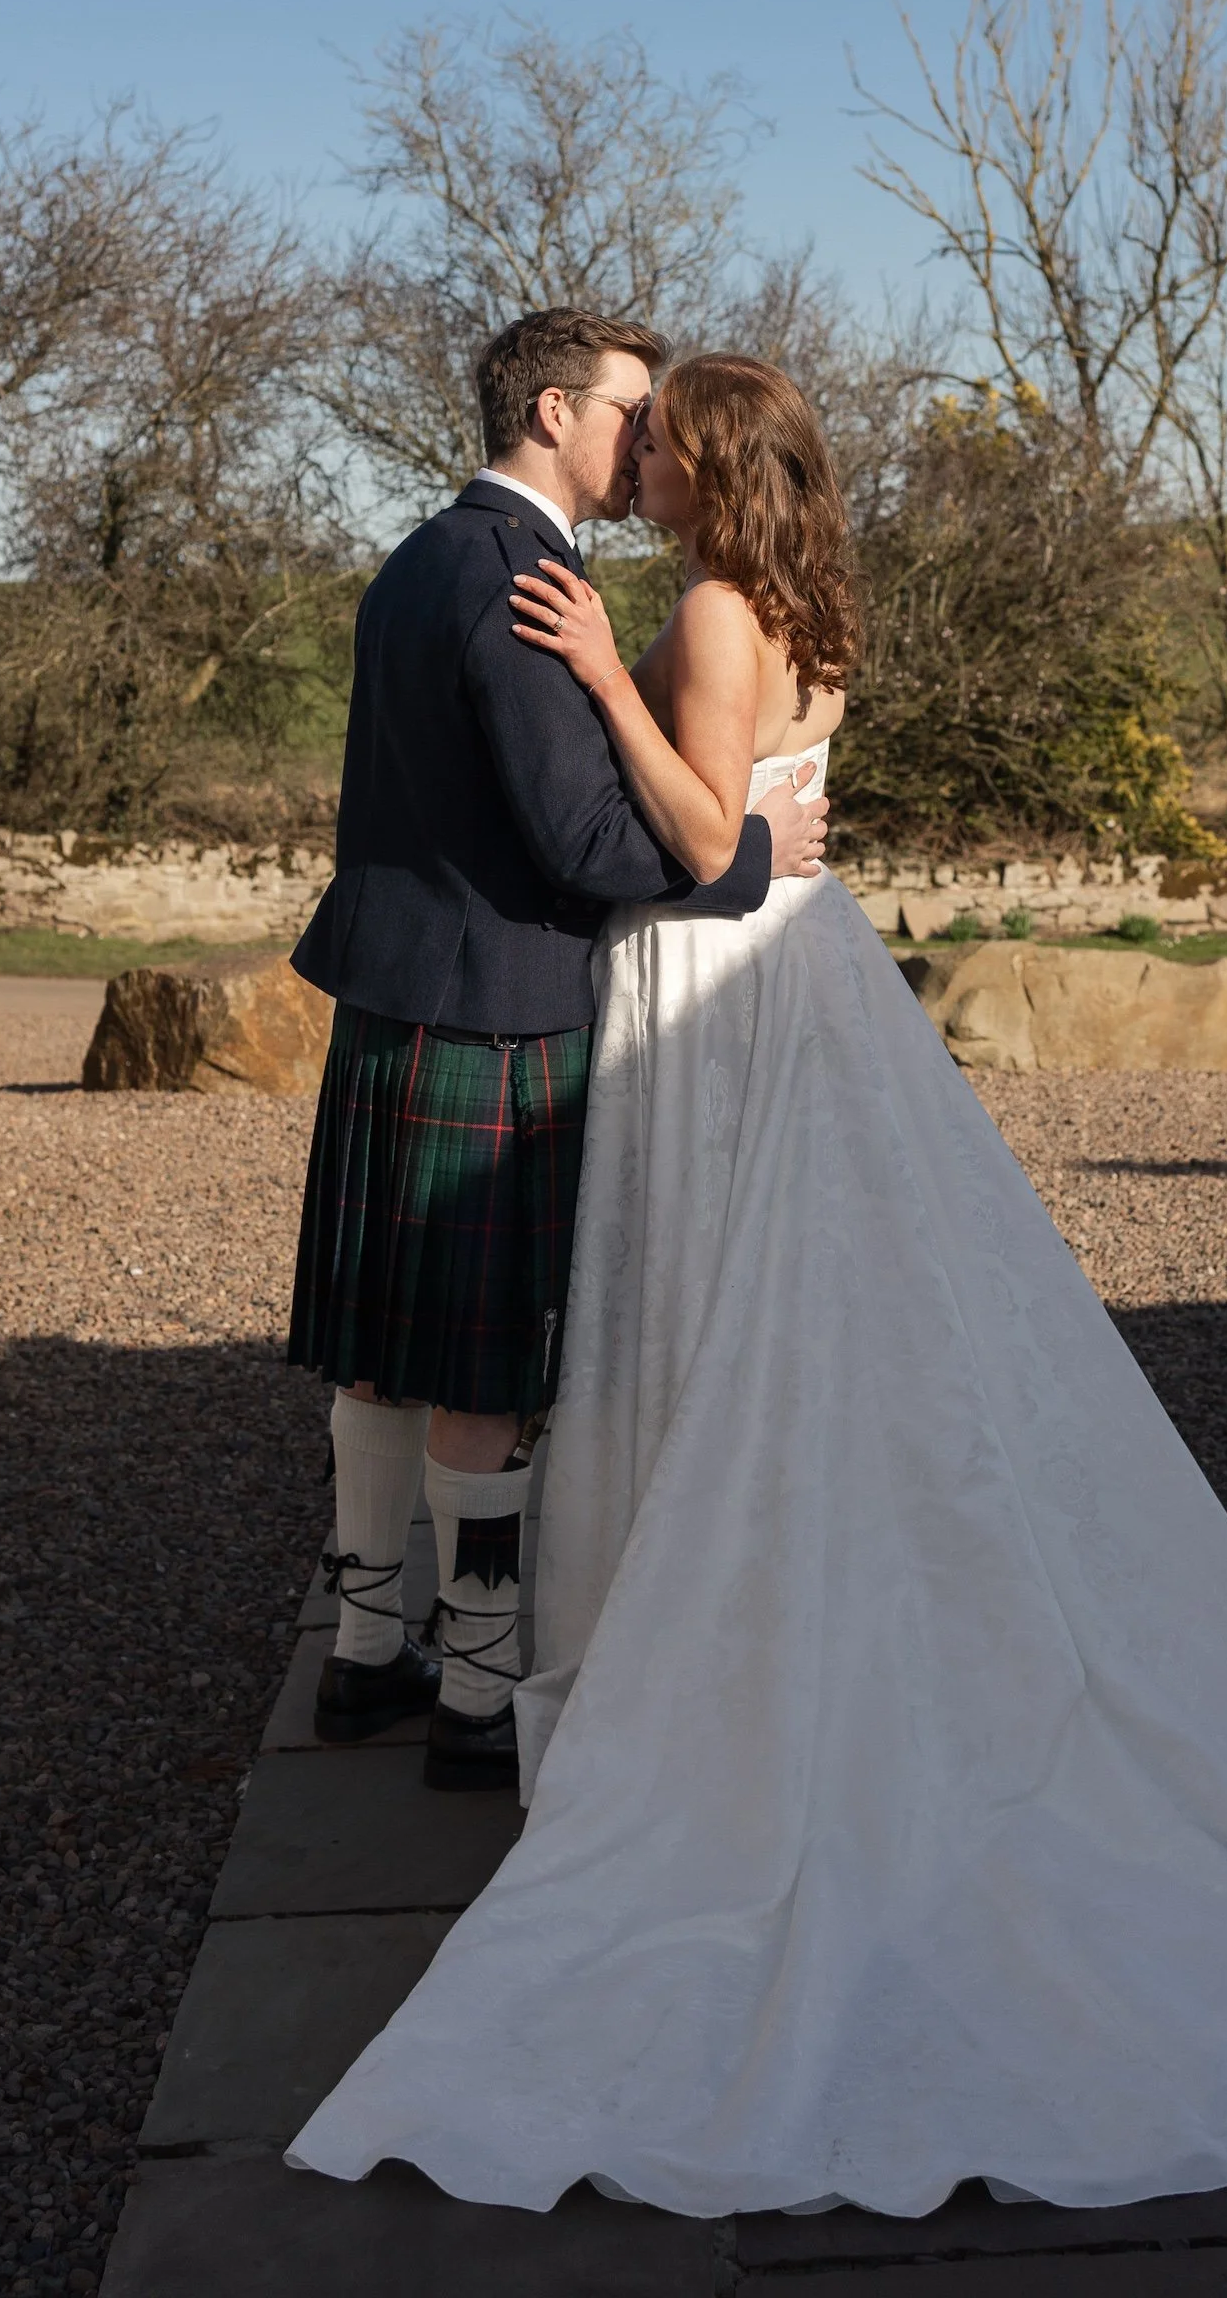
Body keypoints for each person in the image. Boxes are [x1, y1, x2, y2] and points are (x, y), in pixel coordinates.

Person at [287, 354, 1227, 2216]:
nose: (643, 451)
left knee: (712, 1316)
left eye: (665, 434)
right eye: (633, 420)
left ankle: (660, 1650)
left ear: (712, 465)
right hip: (801, 964)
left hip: (717, 979)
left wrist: (606, 683)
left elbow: (692, 839)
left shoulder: (701, 611)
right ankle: (593, 1617)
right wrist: (725, 804)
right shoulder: (799, 604)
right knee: (802, 1321)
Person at [283, 313, 827, 1793]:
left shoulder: (419, 558)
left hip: (396, 995)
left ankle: (363, 1650)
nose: (648, 437)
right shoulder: (525, 575)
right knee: (479, 1370)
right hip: (501, 1004)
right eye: (632, 410)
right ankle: (471, 1695)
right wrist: (751, 859)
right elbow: (583, 840)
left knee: (382, 1357)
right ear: (552, 412)